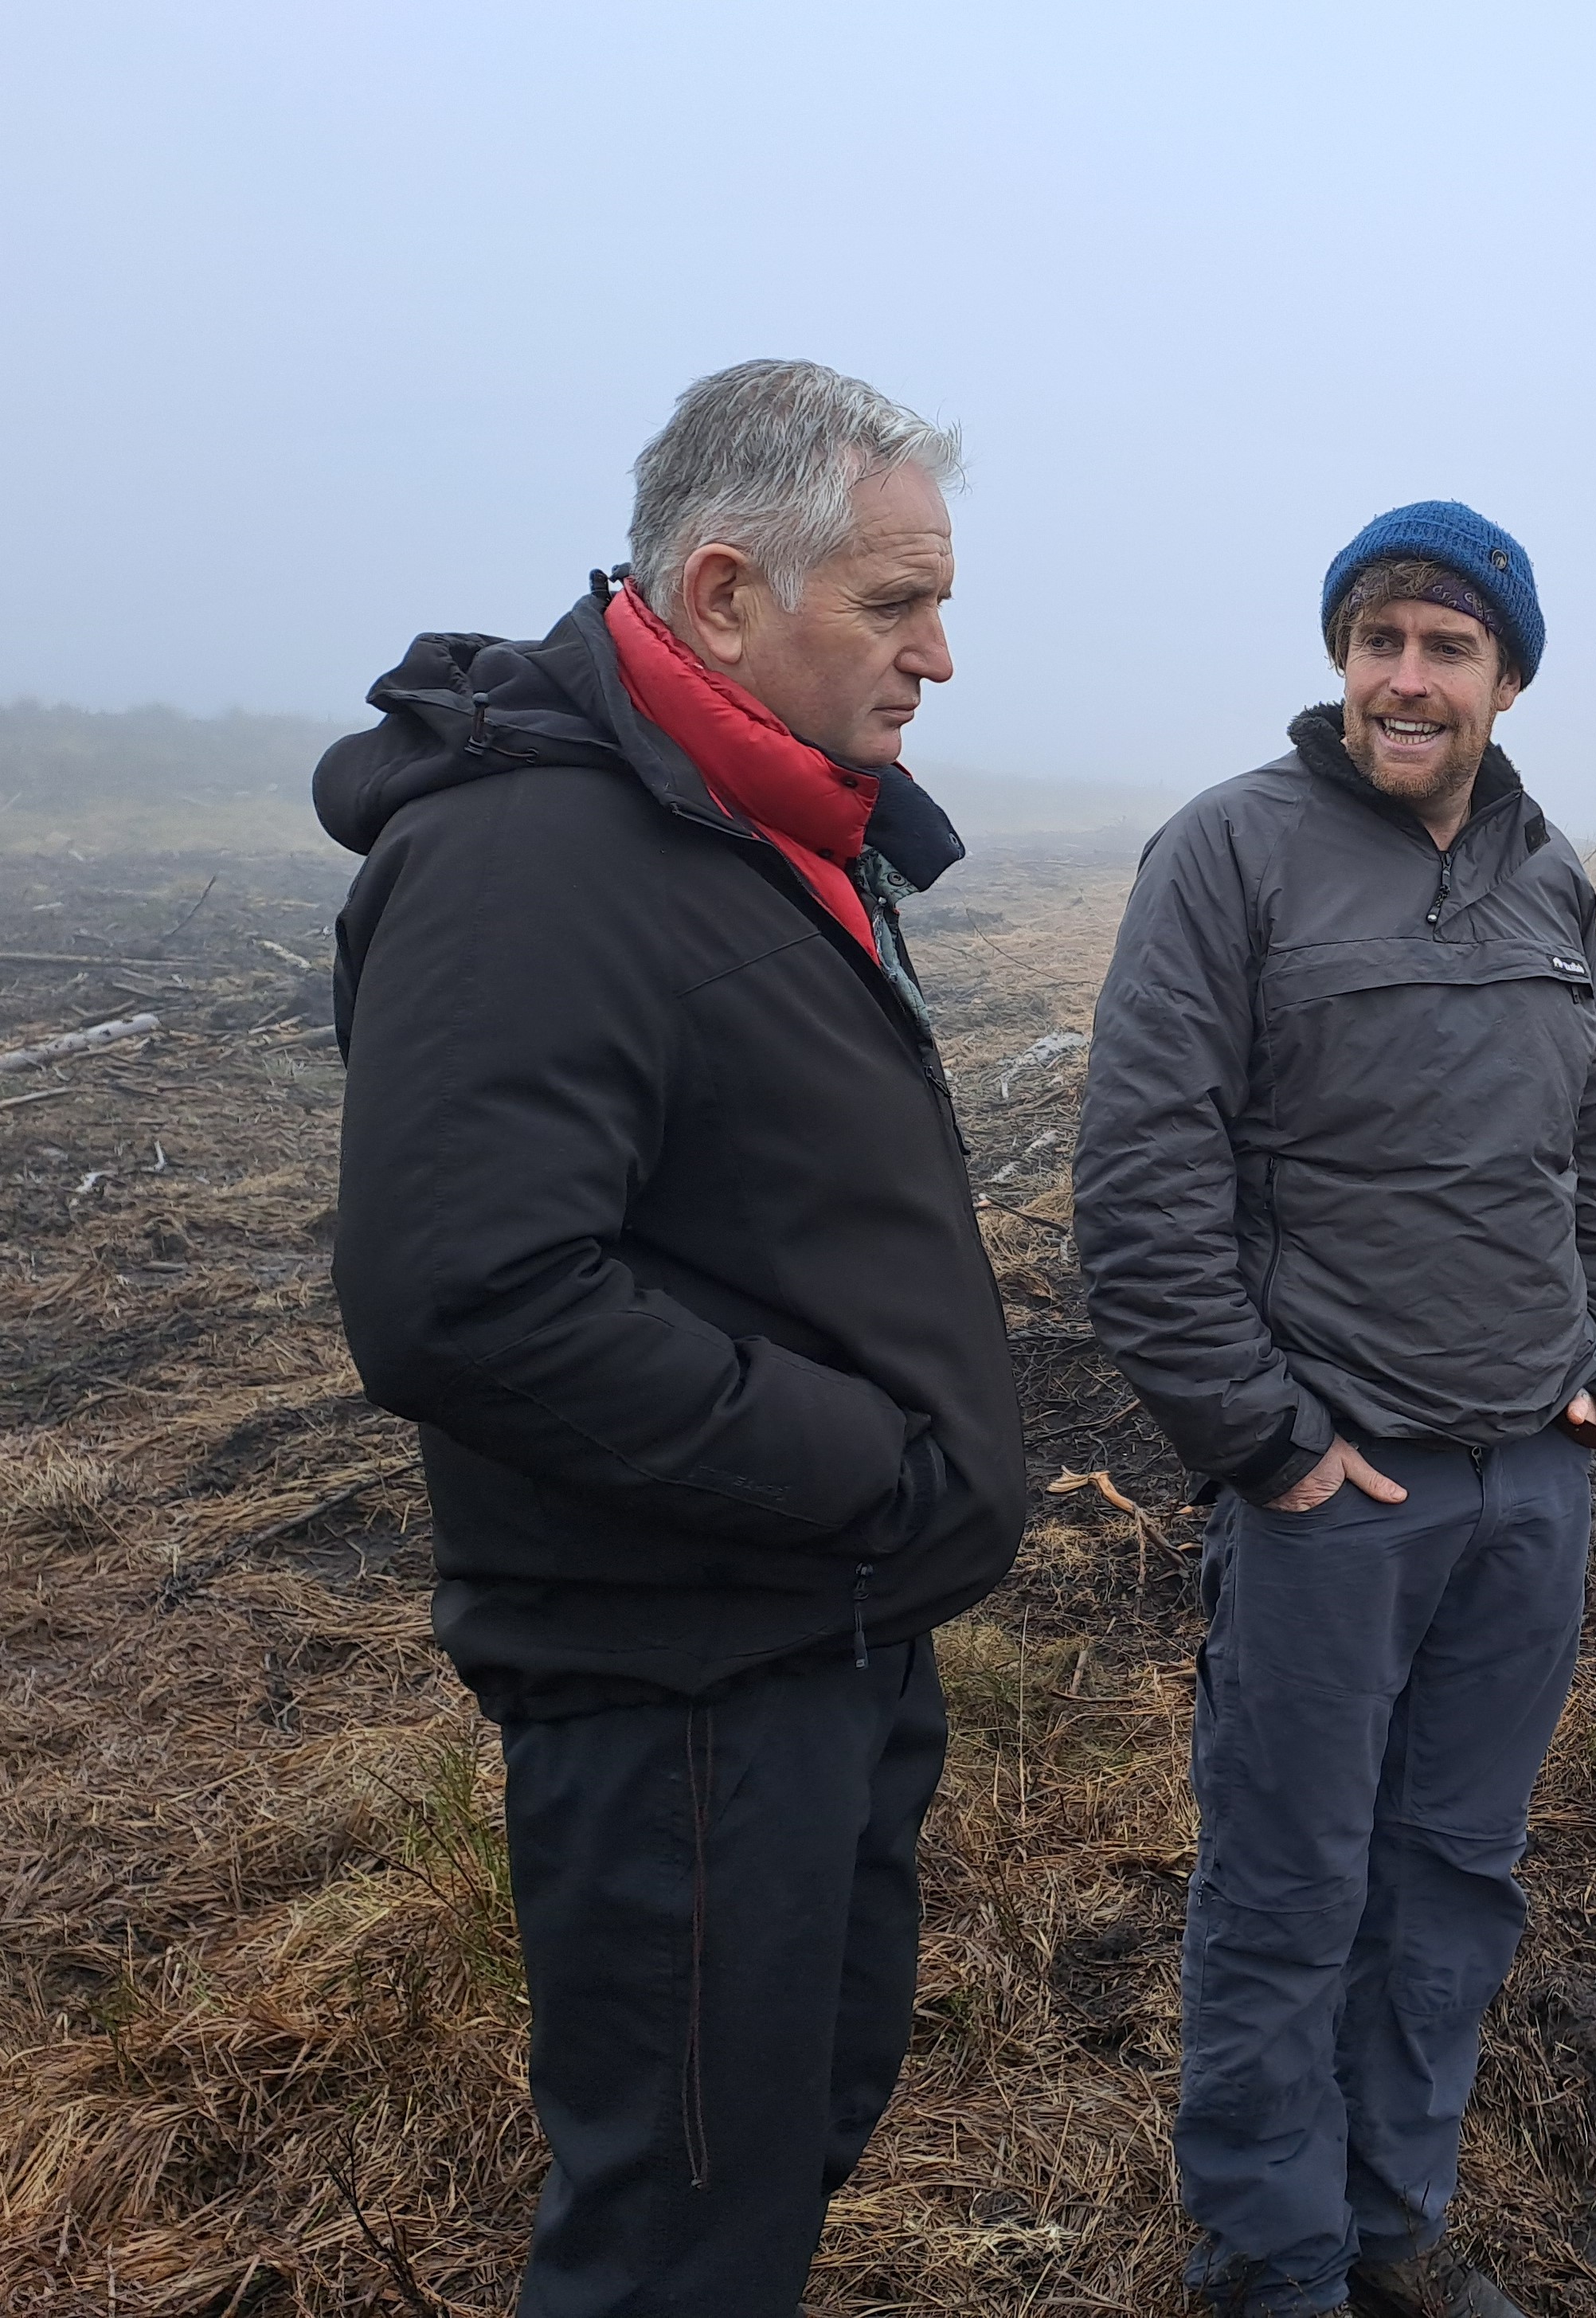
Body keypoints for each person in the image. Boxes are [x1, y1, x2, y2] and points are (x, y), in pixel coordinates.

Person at [313, 358, 1027, 2317]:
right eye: (894, 603)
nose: (938, 655)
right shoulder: (535, 862)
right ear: (722, 594)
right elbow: (466, 1292)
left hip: (821, 1637)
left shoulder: (754, 823)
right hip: (691, 1677)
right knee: (676, 2245)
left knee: (779, 2152)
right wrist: (867, 1475)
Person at [1075, 503, 1596, 2318]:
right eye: (1380, 637)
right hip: (1341, 1494)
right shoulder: (1232, 853)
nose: (1408, 677)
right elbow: (1140, 1177)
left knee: (1456, 1881)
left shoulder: (1548, 877)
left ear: (1505, 678)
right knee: (1289, 1891)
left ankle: (1395, 2227)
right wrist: (1261, 1437)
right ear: (1342, 660)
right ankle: (1274, 2261)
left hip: (1527, 1491)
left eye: (1448, 647)